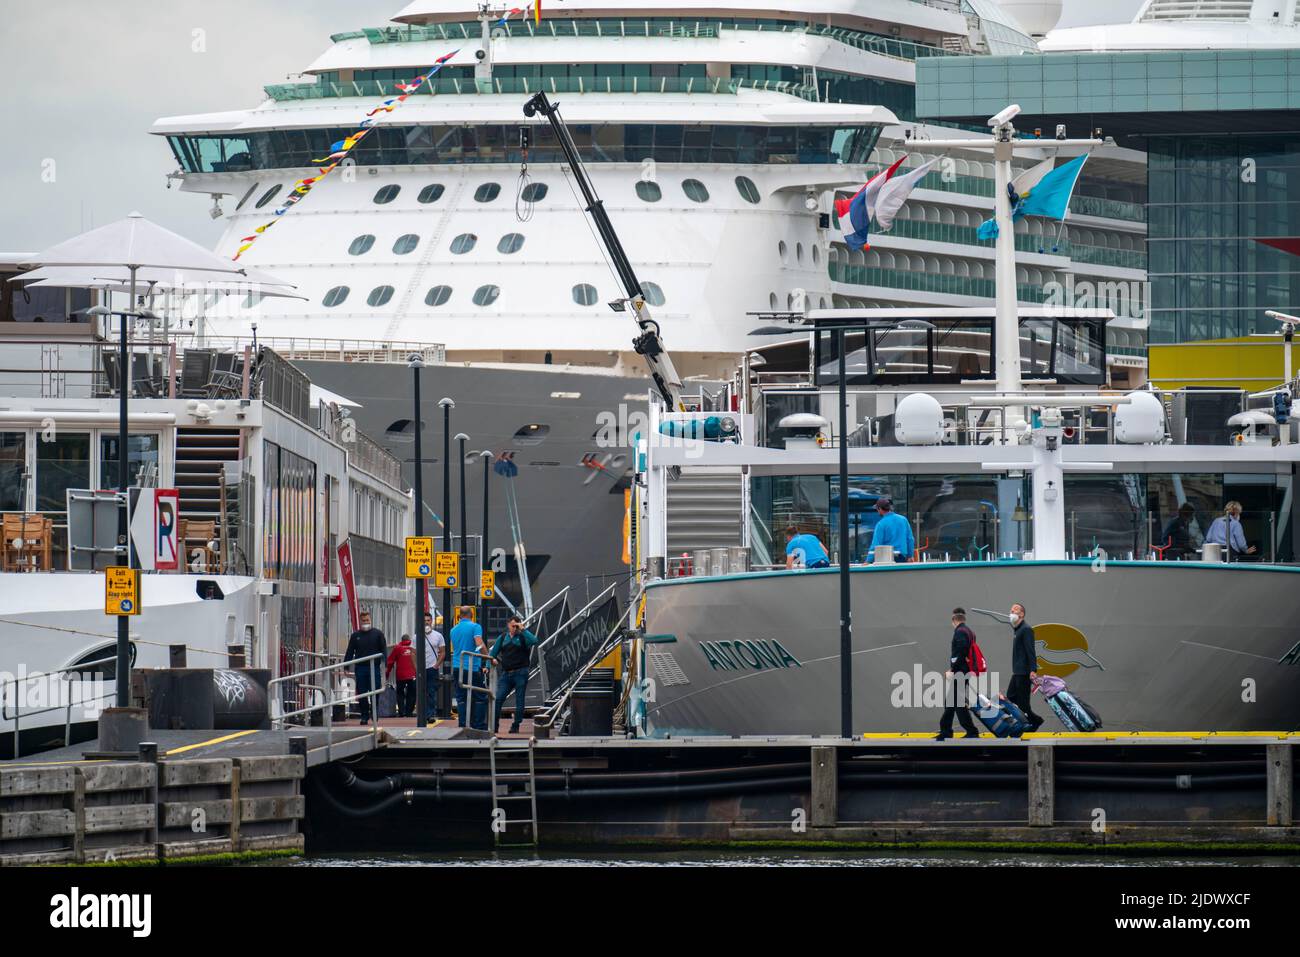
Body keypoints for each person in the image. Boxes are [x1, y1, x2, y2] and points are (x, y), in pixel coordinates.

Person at [490, 614, 539, 734]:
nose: (514, 628)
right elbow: (492, 654)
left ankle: (516, 725)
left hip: (520, 673)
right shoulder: (502, 638)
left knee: (519, 701)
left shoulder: (523, 637)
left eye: (516, 626)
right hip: (506, 674)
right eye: (513, 626)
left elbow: (535, 641)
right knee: (498, 698)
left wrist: (523, 629)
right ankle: (495, 725)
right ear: (508, 625)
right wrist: (487, 666)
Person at [936, 608, 980, 740]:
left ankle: (971, 731)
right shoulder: (970, 632)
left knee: (957, 702)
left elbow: (961, 651)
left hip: (960, 671)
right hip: (965, 670)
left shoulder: (960, 632)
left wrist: (952, 670)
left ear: (953, 620)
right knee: (951, 701)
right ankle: (946, 731)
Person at [1004, 602, 1043, 734]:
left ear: (1022, 614)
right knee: (1011, 698)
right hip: (1017, 672)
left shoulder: (1026, 629)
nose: (1011, 613)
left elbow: (1030, 651)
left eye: (1014, 610)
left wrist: (1033, 670)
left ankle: (1034, 721)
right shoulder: (1017, 629)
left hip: (1024, 672)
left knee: (1023, 704)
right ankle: (1028, 722)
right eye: (1011, 610)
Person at [343, 609, 387, 724]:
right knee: (362, 693)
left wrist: (385, 664)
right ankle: (364, 716)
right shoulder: (355, 636)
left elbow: (384, 650)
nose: (365, 622)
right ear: (360, 622)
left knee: (375, 692)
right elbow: (350, 651)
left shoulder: (378, 634)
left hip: (374, 668)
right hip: (361, 668)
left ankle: (375, 713)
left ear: (370, 620)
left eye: (367, 620)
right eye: (363, 620)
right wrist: (346, 666)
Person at [449, 606, 489, 730]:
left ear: (459, 616)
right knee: (480, 696)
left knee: (461, 697)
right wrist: (488, 657)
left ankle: (463, 724)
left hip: (456, 667)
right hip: (472, 667)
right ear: (472, 614)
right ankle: (478, 725)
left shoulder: (453, 630)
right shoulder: (475, 627)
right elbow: (478, 643)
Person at [867, 496, 914, 562]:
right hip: (902, 557)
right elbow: (910, 539)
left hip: (886, 558)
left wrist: (868, 561)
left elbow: (875, 545)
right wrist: (910, 556)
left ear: (880, 509)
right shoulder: (903, 520)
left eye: (877, 509)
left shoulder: (881, 524)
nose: (877, 511)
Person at [385, 634, 418, 717]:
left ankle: (401, 712)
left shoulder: (397, 648)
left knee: (400, 693)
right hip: (413, 674)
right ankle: (409, 712)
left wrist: (387, 674)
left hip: (401, 675)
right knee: (412, 693)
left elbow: (390, 662)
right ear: (409, 639)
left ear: (401, 640)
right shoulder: (414, 647)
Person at [423, 611, 446, 722]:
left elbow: (442, 652)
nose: (426, 623)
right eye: (424, 621)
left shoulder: (438, 636)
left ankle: (431, 714)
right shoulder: (417, 636)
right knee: (422, 692)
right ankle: (424, 713)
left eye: (428, 620)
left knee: (431, 691)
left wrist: (436, 665)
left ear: (431, 621)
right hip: (421, 669)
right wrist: (416, 667)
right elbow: (413, 652)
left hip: (432, 668)